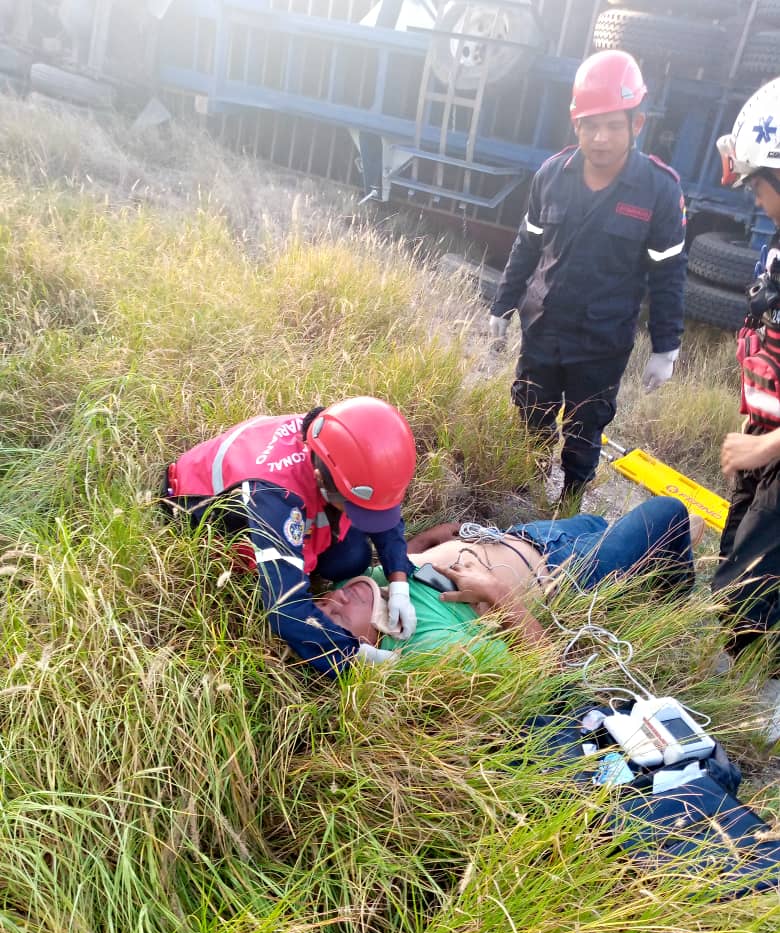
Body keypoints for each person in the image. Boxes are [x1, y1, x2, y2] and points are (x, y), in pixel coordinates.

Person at [488, 50, 687, 510]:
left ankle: (571, 501)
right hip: (542, 327)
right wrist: (503, 304)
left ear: (637, 124)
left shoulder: (659, 190)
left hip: (602, 341)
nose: (600, 138)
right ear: (575, 122)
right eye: (590, 125)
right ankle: (526, 491)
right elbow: (526, 246)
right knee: (531, 415)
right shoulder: (551, 176)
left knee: (585, 427)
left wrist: (665, 347)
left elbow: (668, 274)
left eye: (614, 126)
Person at [161, 396, 418, 675]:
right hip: (201, 509)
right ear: (320, 480)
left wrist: (399, 581)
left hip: (276, 488)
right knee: (286, 580)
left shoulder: (339, 441)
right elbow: (286, 608)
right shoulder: (277, 499)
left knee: (352, 558)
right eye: (353, 506)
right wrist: (352, 655)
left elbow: (381, 507)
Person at [317, 497, 699, 662]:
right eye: (335, 619)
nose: (335, 601)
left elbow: (402, 555)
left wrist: (427, 543)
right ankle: (676, 600)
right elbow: (546, 669)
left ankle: (645, 550)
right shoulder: (431, 647)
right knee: (670, 513)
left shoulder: (351, 587)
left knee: (602, 523)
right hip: (565, 570)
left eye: (321, 604)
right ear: (363, 650)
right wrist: (498, 593)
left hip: (521, 533)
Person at [713, 77, 780, 665]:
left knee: (754, 589)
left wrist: (767, 450)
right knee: (734, 558)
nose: (755, 196)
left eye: (760, 183)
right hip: (765, 436)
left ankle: (745, 700)